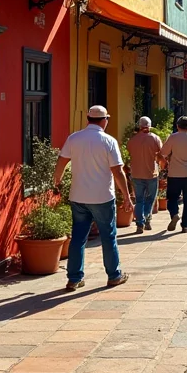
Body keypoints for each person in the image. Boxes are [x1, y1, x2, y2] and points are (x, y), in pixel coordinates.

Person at [53, 105, 132, 290]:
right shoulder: (108, 141)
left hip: (78, 196)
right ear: (105, 120)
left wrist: (57, 180)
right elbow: (117, 171)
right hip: (103, 197)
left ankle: (74, 278)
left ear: (88, 119)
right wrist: (127, 196)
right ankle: (114, 275)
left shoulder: (74, 138)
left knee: (79, 237)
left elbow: (62, 161)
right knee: (108, 236)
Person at [126, 116, 163, 234]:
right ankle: (145, 218)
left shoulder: (132, 140)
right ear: (150, 126)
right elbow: (161, 155)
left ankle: (141, 223)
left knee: (139, 200)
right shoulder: (155, 138)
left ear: (139, 126)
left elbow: (130, 153)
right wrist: (162, 165)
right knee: (150, 198)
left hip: (136, 173)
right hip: (151, 173)